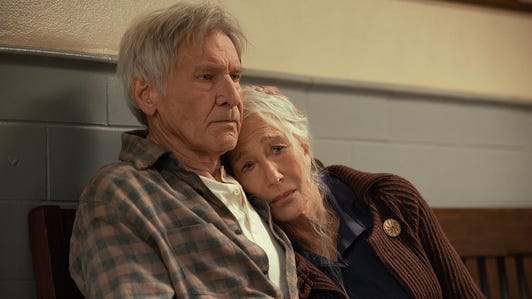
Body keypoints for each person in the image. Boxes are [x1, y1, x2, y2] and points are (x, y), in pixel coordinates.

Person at [69, 3, 299, 298]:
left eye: (236, 77)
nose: (231, 96)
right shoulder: (122, 193)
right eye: (207, 77)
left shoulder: (247, 177)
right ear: (147, 94)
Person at [224, 87, 486, 299]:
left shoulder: (390, 198)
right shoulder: (265, 253)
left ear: (304, 147)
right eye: (248, 165)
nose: (273, 176)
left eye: (277, 148)